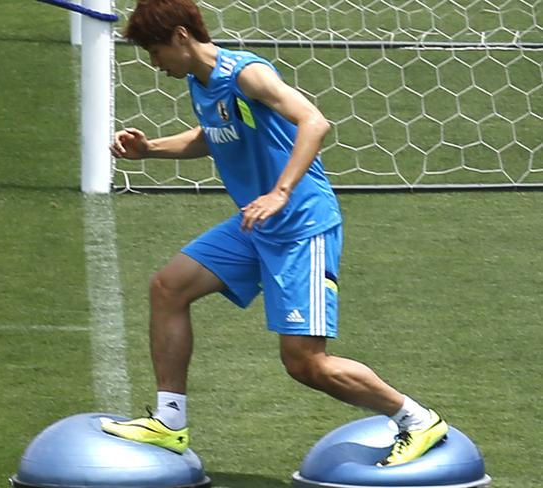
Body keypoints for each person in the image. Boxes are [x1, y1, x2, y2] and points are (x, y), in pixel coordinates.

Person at [101, 0, 448, 467]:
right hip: (255, 223)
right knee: (168, 287)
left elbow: (314, 121)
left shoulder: (246, 73)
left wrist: (281, 192)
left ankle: (416, 419)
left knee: (305, 363)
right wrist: (150, 151)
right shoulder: (201, 83)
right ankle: (169, 422)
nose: (154, 63)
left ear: (181, 37)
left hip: (300, 225)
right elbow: (211, 134)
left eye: (155, 51)